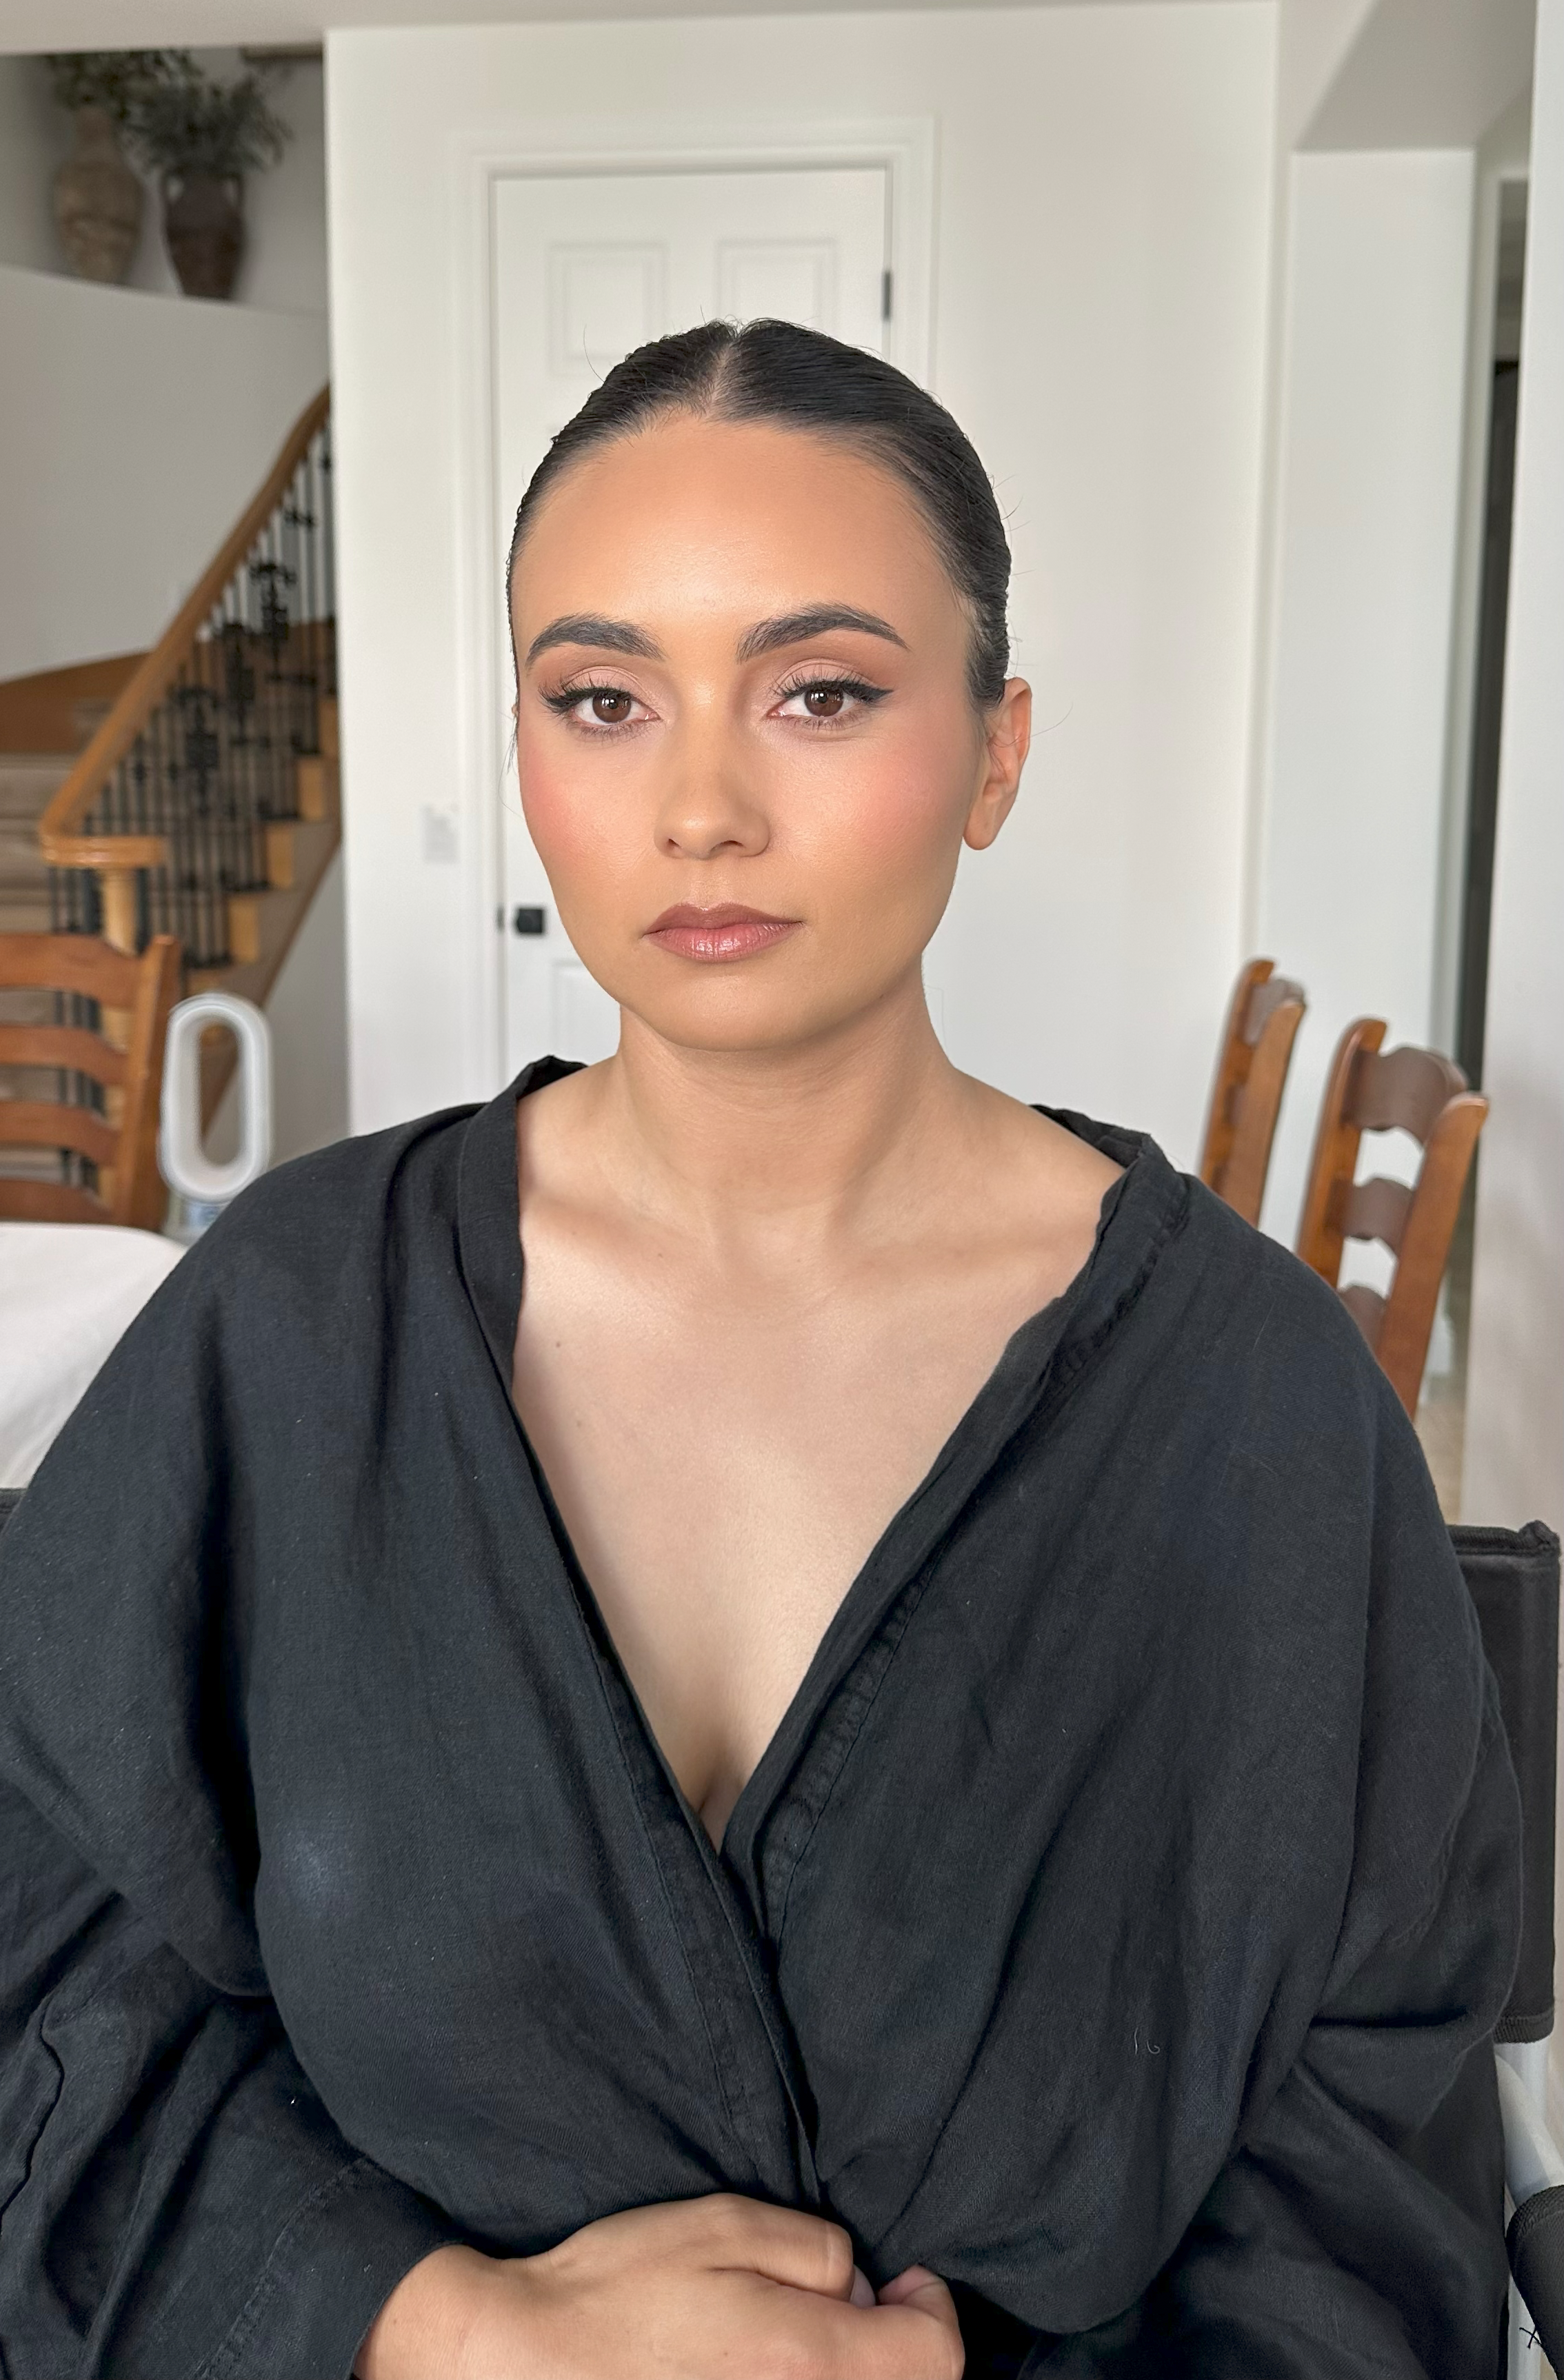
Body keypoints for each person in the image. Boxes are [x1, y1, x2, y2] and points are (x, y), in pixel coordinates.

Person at [0, 321, 1518, 2380]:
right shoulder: (287, 1329)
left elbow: (1364, 2173)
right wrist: (429, 2323)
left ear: (994, 752)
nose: (699, 806)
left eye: (819, 690)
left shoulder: (1257, 1418)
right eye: (603, 698)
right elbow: (45, 1955)